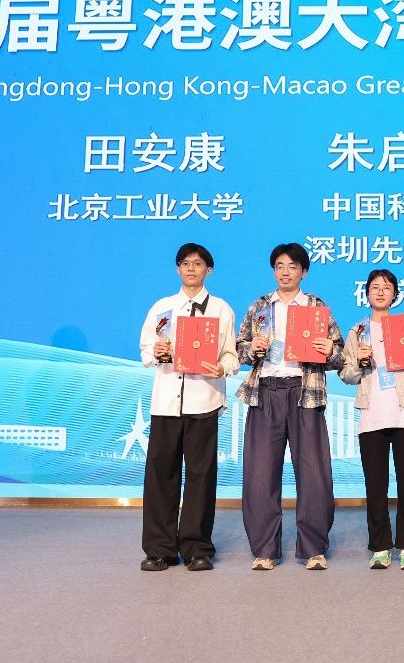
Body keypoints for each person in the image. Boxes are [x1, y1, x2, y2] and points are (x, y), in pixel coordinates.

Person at [236, 242, 343, 570]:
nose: (285, 272)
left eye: (292, 266)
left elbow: (339, 355)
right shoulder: (259, 306)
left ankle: (313, 549)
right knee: (260, 473)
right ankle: (265, 550)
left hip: (304, 392)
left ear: (304, 272)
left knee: (314, 473)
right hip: (265, 392)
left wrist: (328, 350)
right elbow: (239, 350)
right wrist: (252, 348)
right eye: (279, 266)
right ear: (274, 271)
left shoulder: (316, 306)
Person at [138, 242, 238, 572]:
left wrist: (222, 367)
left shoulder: (221, 309)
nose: (191, 268)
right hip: (167, 402)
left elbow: (231, 354)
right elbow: (145, 349)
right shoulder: (163, 307)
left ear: (209, 270)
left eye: (197, 263)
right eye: (185, 263)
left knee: (200, 476)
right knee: (160, 475)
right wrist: (156, 353)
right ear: (177, 269)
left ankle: (196, 548)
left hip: (203, 399)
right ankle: (160, 549)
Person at [340, 269, 404, 570]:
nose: (380, 291)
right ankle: (380, 546)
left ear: (395, 294)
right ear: (366, 293)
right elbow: (346, 374)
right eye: (375, 287)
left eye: (387, 287)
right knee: (375, 485)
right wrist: (359, 362)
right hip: (372, 414)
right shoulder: (357, 331)